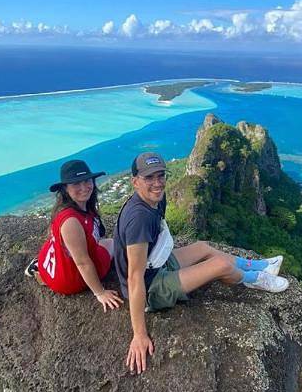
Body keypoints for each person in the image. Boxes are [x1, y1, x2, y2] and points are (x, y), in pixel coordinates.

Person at [114, 152, 288, 374]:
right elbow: (134, 277)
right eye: (149, 178)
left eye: (160, 175)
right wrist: (139, 334)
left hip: (157, 264)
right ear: (135, 181)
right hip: (151, 288)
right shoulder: (139, 218)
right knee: (220, 267)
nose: (157, 183)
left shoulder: (155, 199)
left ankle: (257, 265)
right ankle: (255, 280)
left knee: (203, 247)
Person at [26, 160, 123, 312]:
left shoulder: (70, 209)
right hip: (69, 280)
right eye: (76, 184)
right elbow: (83, 263)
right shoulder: (71, 221)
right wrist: (100, 293)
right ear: (65, 188)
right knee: (111, 243)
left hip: (52, 266)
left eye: (86, 181)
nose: (84, 187)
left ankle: (39, 267)